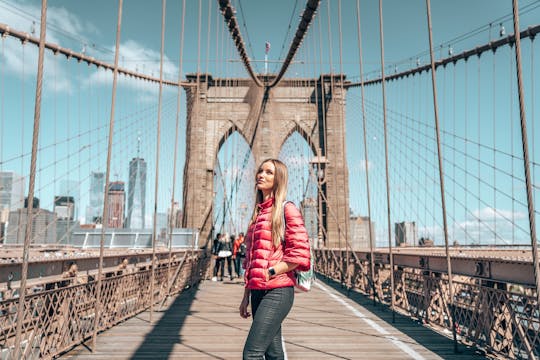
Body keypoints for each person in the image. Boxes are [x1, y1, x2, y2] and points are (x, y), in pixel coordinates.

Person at [239, 158, 310, 359]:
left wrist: (271, 271)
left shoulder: (287, 209)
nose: (261, 175)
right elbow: (251, 259)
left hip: (278, 291)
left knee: (252, 353)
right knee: (274, 353)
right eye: (260, 171)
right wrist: (246, 296)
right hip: (257, 292)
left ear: (278, 179)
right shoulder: (257, 214)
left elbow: (299, 254)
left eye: (269, 172)